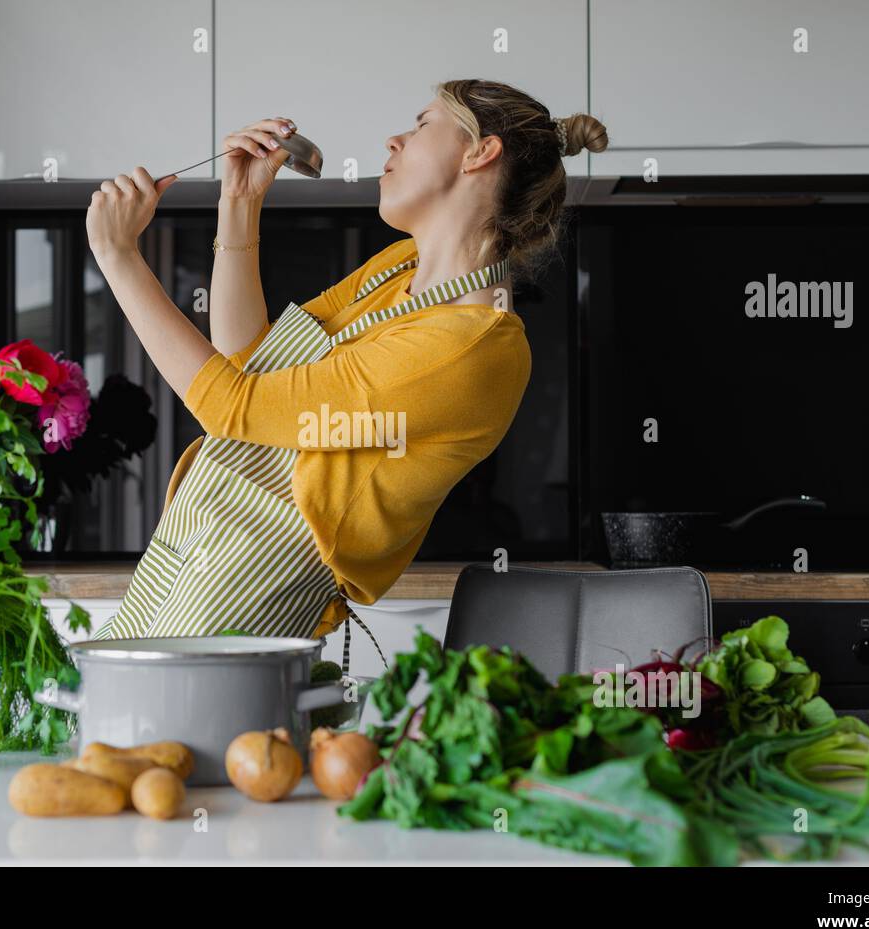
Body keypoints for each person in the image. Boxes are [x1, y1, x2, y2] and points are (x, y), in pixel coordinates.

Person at [84, 79, 607, 657]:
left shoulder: (473, 346)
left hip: (252, 582)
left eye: (422, 125)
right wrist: (239, 203)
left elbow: (230, 406)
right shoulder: (399, 269)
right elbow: (247, 364)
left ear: (479, 152)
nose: (394, 140)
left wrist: (119, 257)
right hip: (197, 537)